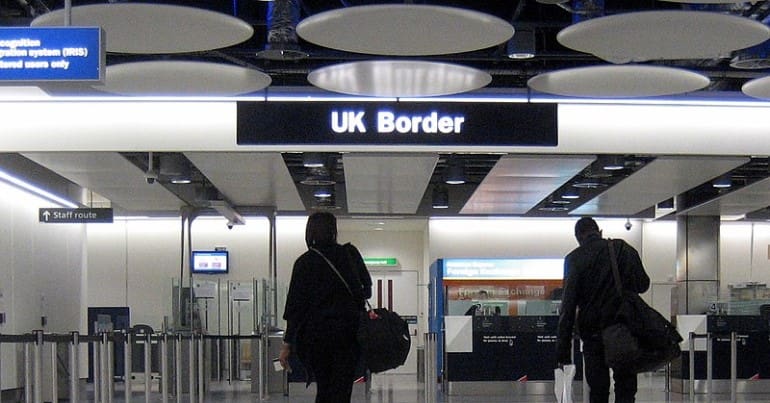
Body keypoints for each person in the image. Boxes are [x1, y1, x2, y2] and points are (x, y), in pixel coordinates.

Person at [278, 211, 372, 403]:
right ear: (333, 230)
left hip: (317, 339)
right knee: (343, 390)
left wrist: (287, 345)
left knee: (324, 388)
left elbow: (295, 309)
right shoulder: (349, 255)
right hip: (348, 336)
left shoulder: (304, 263)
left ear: (310, 231)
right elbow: (365, 291)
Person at [556, 217, 650, 403]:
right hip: (624, 330)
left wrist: (563, 353)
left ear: (578, 238)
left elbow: (567, 308)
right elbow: (643, 284)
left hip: (593, 335)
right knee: (626, 389)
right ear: (599, 232)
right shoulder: (623, 249)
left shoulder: (574, 259)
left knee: (598, 391)